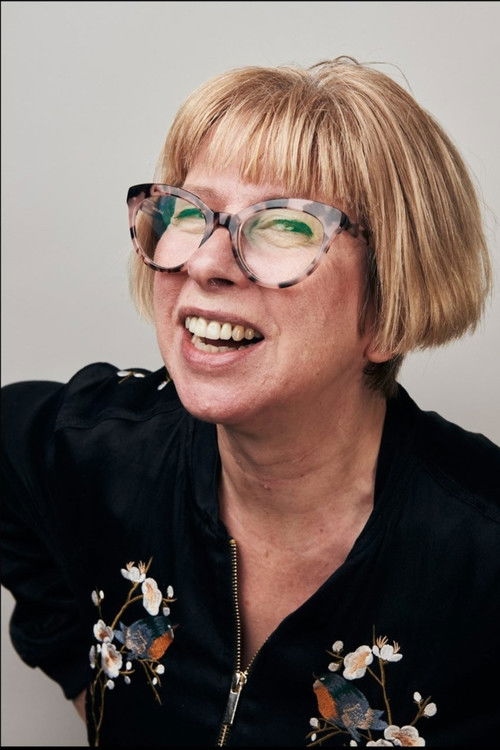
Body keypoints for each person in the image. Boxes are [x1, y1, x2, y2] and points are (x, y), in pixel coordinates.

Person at [1, 55, 499, 748]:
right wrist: (90, 676)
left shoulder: (482, 554)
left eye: (284, 226)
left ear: (388, 305)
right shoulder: (102, 448)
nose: (204, 262)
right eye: (186, 213)